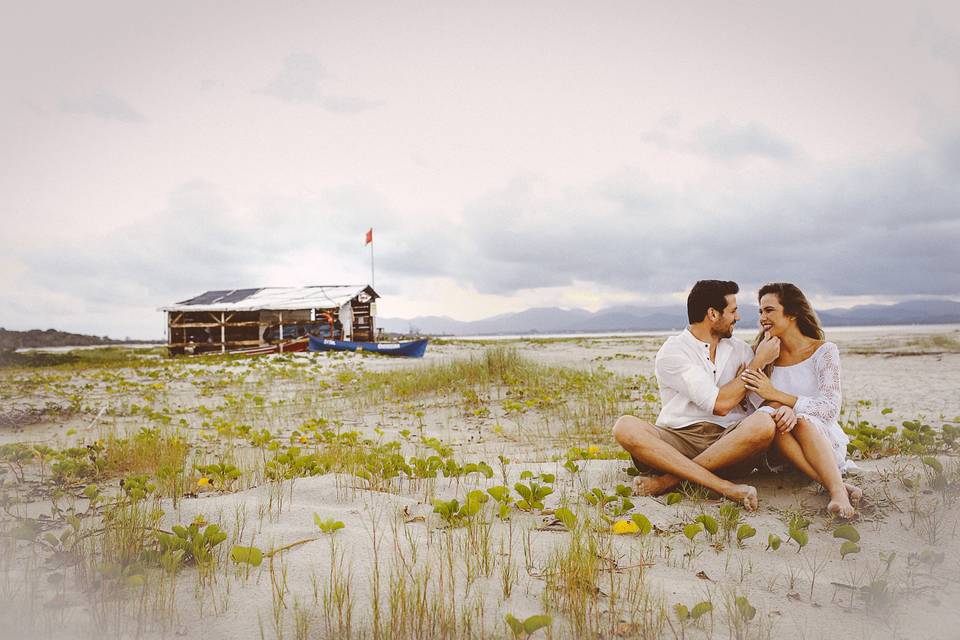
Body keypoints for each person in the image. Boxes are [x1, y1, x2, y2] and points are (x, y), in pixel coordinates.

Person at [612, 280, 782, 511]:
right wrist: (758, 362)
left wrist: (747, 381)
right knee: (625, 427)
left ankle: (669, 481)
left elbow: (758, 400)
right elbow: (719, 404)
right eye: (733, 311)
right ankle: (724, 487)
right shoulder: (673, 352)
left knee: (763, 423)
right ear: (712, 314)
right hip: (679, 440)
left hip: (729, 442)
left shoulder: (740, 349)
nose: (738, 317)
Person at [740, 283, 861, 518]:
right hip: (780, 449)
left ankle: (838, 493)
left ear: (793, 313)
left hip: (819, 442)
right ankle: (837, 486)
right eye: (760, 312)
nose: (762, 317)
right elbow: (752, 407)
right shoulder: (762, 353)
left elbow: (830, 409)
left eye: (769, 310)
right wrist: (778, 406)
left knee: (803, 421)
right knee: (776, 420)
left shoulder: (824, 351)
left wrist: (781, 399)